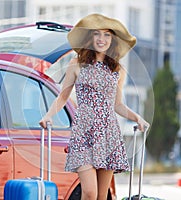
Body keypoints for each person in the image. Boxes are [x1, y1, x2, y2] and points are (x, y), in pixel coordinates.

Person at [39, 13, 150, 200]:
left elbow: (118, 105)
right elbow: (63, 96)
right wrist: (48, 115)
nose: (102, 39)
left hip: (109, 134)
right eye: (97, 34)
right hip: (84, 132)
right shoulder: (76, 64)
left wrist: (137, 118)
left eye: (107, 35)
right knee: (89, 193)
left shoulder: (117, 69)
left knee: (100, 195)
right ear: (90, 38)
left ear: (112, 40)